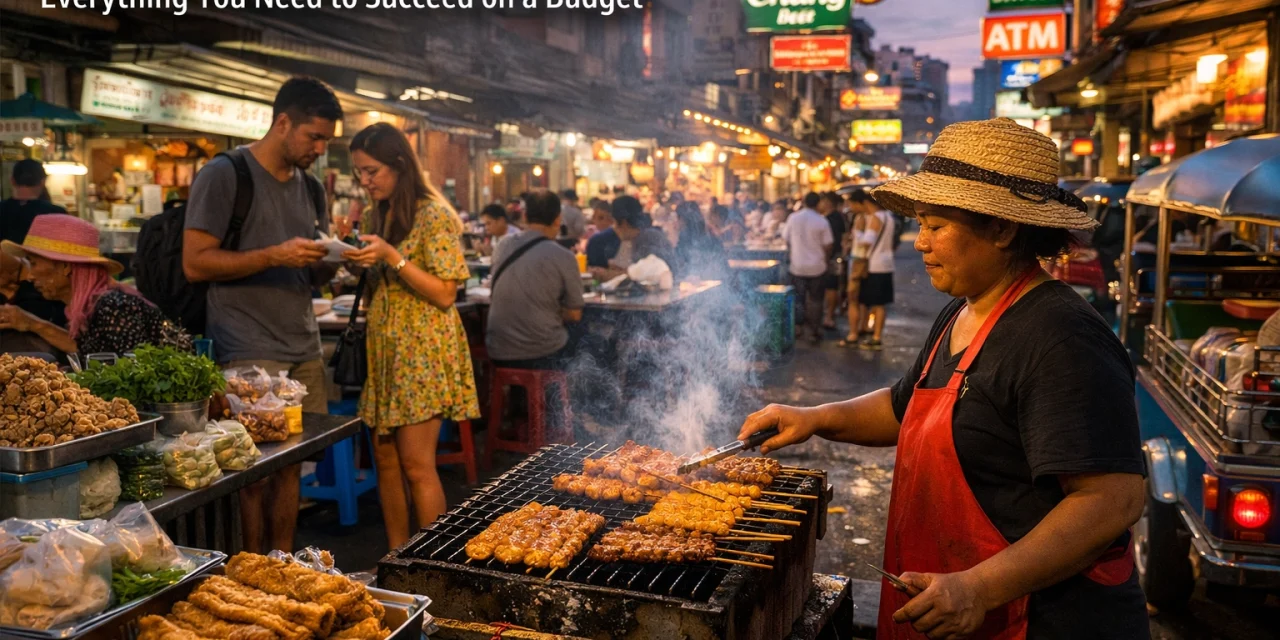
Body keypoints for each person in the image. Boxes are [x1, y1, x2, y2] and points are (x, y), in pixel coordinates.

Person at [740, 119, 1148, 640]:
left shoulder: (1062, 338)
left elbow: (1111, 500)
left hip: (1038, 621)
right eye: (920, 224)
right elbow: (903, 406)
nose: (920, 243)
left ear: (1002, 229)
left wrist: (980, 587)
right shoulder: (963, 310)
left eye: (936, 226)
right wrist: (815, 417)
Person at [182, 76, 341, 555]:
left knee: (291, 463)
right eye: (314, 137)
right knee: (251, 468)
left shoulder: (312, 188)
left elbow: (313, 274)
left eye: (327, 141)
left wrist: (338, 257)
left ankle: (282, 562)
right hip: (247, 345)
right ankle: (249, 564)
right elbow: (195, 263)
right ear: (283, 122)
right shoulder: (225, 174)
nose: (320, 149)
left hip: (303, 343)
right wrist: (274, 255)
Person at [341, 123, 480, 549]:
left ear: (400, 165)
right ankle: (397, 557)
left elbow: (445, 292)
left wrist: (392, 256)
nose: (365, 181)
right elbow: (379, 280)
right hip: (385, 347)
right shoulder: (375, 215)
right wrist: (354, 261)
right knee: (385, 460)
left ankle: (431, 562)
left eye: (372, 171)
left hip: (423, 349)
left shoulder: (433, 214)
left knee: (417, 464)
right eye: (360, 173)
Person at [0, 215, 190, 355]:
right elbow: (88, 350)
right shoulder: (94, 306)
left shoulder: (114, 306)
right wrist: (31, 323)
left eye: (33, 263)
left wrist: (33, 324)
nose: (30, 276)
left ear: (65, 267)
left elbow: (128, 375)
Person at [486, 191, 585, 368]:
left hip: (497, 350)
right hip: (542, 353)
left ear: (525, 216)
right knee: (592, 343)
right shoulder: (564, 256)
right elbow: (574, 314)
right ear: (558, 220)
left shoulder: (502, 245)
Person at [0, 159, 67, 332]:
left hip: (3, 304)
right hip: (46, 302)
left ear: (12, 180)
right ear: (42, 182)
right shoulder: (56, 213)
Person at [783, 192, 833, 343]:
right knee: (816, 300)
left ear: (804, 202)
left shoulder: (793, 218)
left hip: (797, 266)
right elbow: (828, 244)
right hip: (817, 266)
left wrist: (794, 251)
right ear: (818, 203)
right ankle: (814, 330)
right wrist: (826, 259)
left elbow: (786, 238)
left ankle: (798, 328)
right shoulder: (822, 220)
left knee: (799, 299)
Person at [594, 195, 675, 281]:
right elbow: (638, 271)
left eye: (614, 223)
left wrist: (606, 274)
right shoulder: (642, 236)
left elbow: (645, 274)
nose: (614, 228)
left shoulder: (648, 238)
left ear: (624, 223)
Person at [856, 191, 897, 351]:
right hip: (887, 263)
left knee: (877, 303)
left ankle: (876, 337)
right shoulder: (889, 217)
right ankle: (875, 333)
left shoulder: (876, 218)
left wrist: (858, 232)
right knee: (881, 303)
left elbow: (867, 241)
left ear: (868, 203)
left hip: (875, 265)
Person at [841, 189, 876, 347]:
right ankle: (861, 327)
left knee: (853, 299)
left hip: (858, 261)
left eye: (852, 204)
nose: (850, 207)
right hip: (862, 261)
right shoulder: (868, 217)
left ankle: (853, 333)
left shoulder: (863, 218)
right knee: (861, 300)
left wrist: (855, 235)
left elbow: (865, 242)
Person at [672, 200, 727, 280]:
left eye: (677, 218)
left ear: (683, 219)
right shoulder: (709, 236)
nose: (675, 222)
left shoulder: (687, 241)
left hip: (708, 282)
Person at [819, 192, 847, 332]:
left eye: (822, 201)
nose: (820, 204)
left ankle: (829, 316)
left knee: (831, 287)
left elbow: (832, 242)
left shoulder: (832, 219)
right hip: (834, 256)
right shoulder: (838, 217)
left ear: (828, 202)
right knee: (832, 287)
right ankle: (829, 315)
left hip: (831, 257)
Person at [585, 198, 621, 269]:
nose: (604, 222)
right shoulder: (593, 236)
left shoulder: (596, 240)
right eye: (595, 217)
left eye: (601, 218)